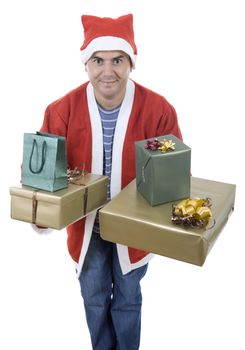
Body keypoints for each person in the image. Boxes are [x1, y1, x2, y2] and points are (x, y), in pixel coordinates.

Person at [40, 14, 182, 350]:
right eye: (98, 61)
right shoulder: (61, 110)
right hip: (86, 227)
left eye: (117, 60)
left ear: (131, 63)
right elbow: (41, 172)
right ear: (86, 64)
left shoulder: (159, 110)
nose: (108, 71)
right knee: (93, 297)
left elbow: (175, 171)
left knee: (128, 299)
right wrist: (41, 211)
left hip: (134, 230)